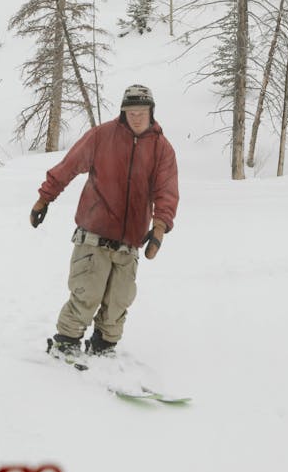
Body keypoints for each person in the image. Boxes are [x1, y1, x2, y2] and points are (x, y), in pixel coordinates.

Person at [30, 84, 179, 362]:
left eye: (141, 111)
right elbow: (69, 166)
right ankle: (66, 344)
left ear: (151, 112)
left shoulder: (162, 149)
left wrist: (159, 229)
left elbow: (166, 192)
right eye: (130, 111)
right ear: (123, 113)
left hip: (130, 240)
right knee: (87, 293)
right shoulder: (102, 136)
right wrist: (44, 199)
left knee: (119, 302)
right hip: (94, 233)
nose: (136, 117)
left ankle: (104, 348)